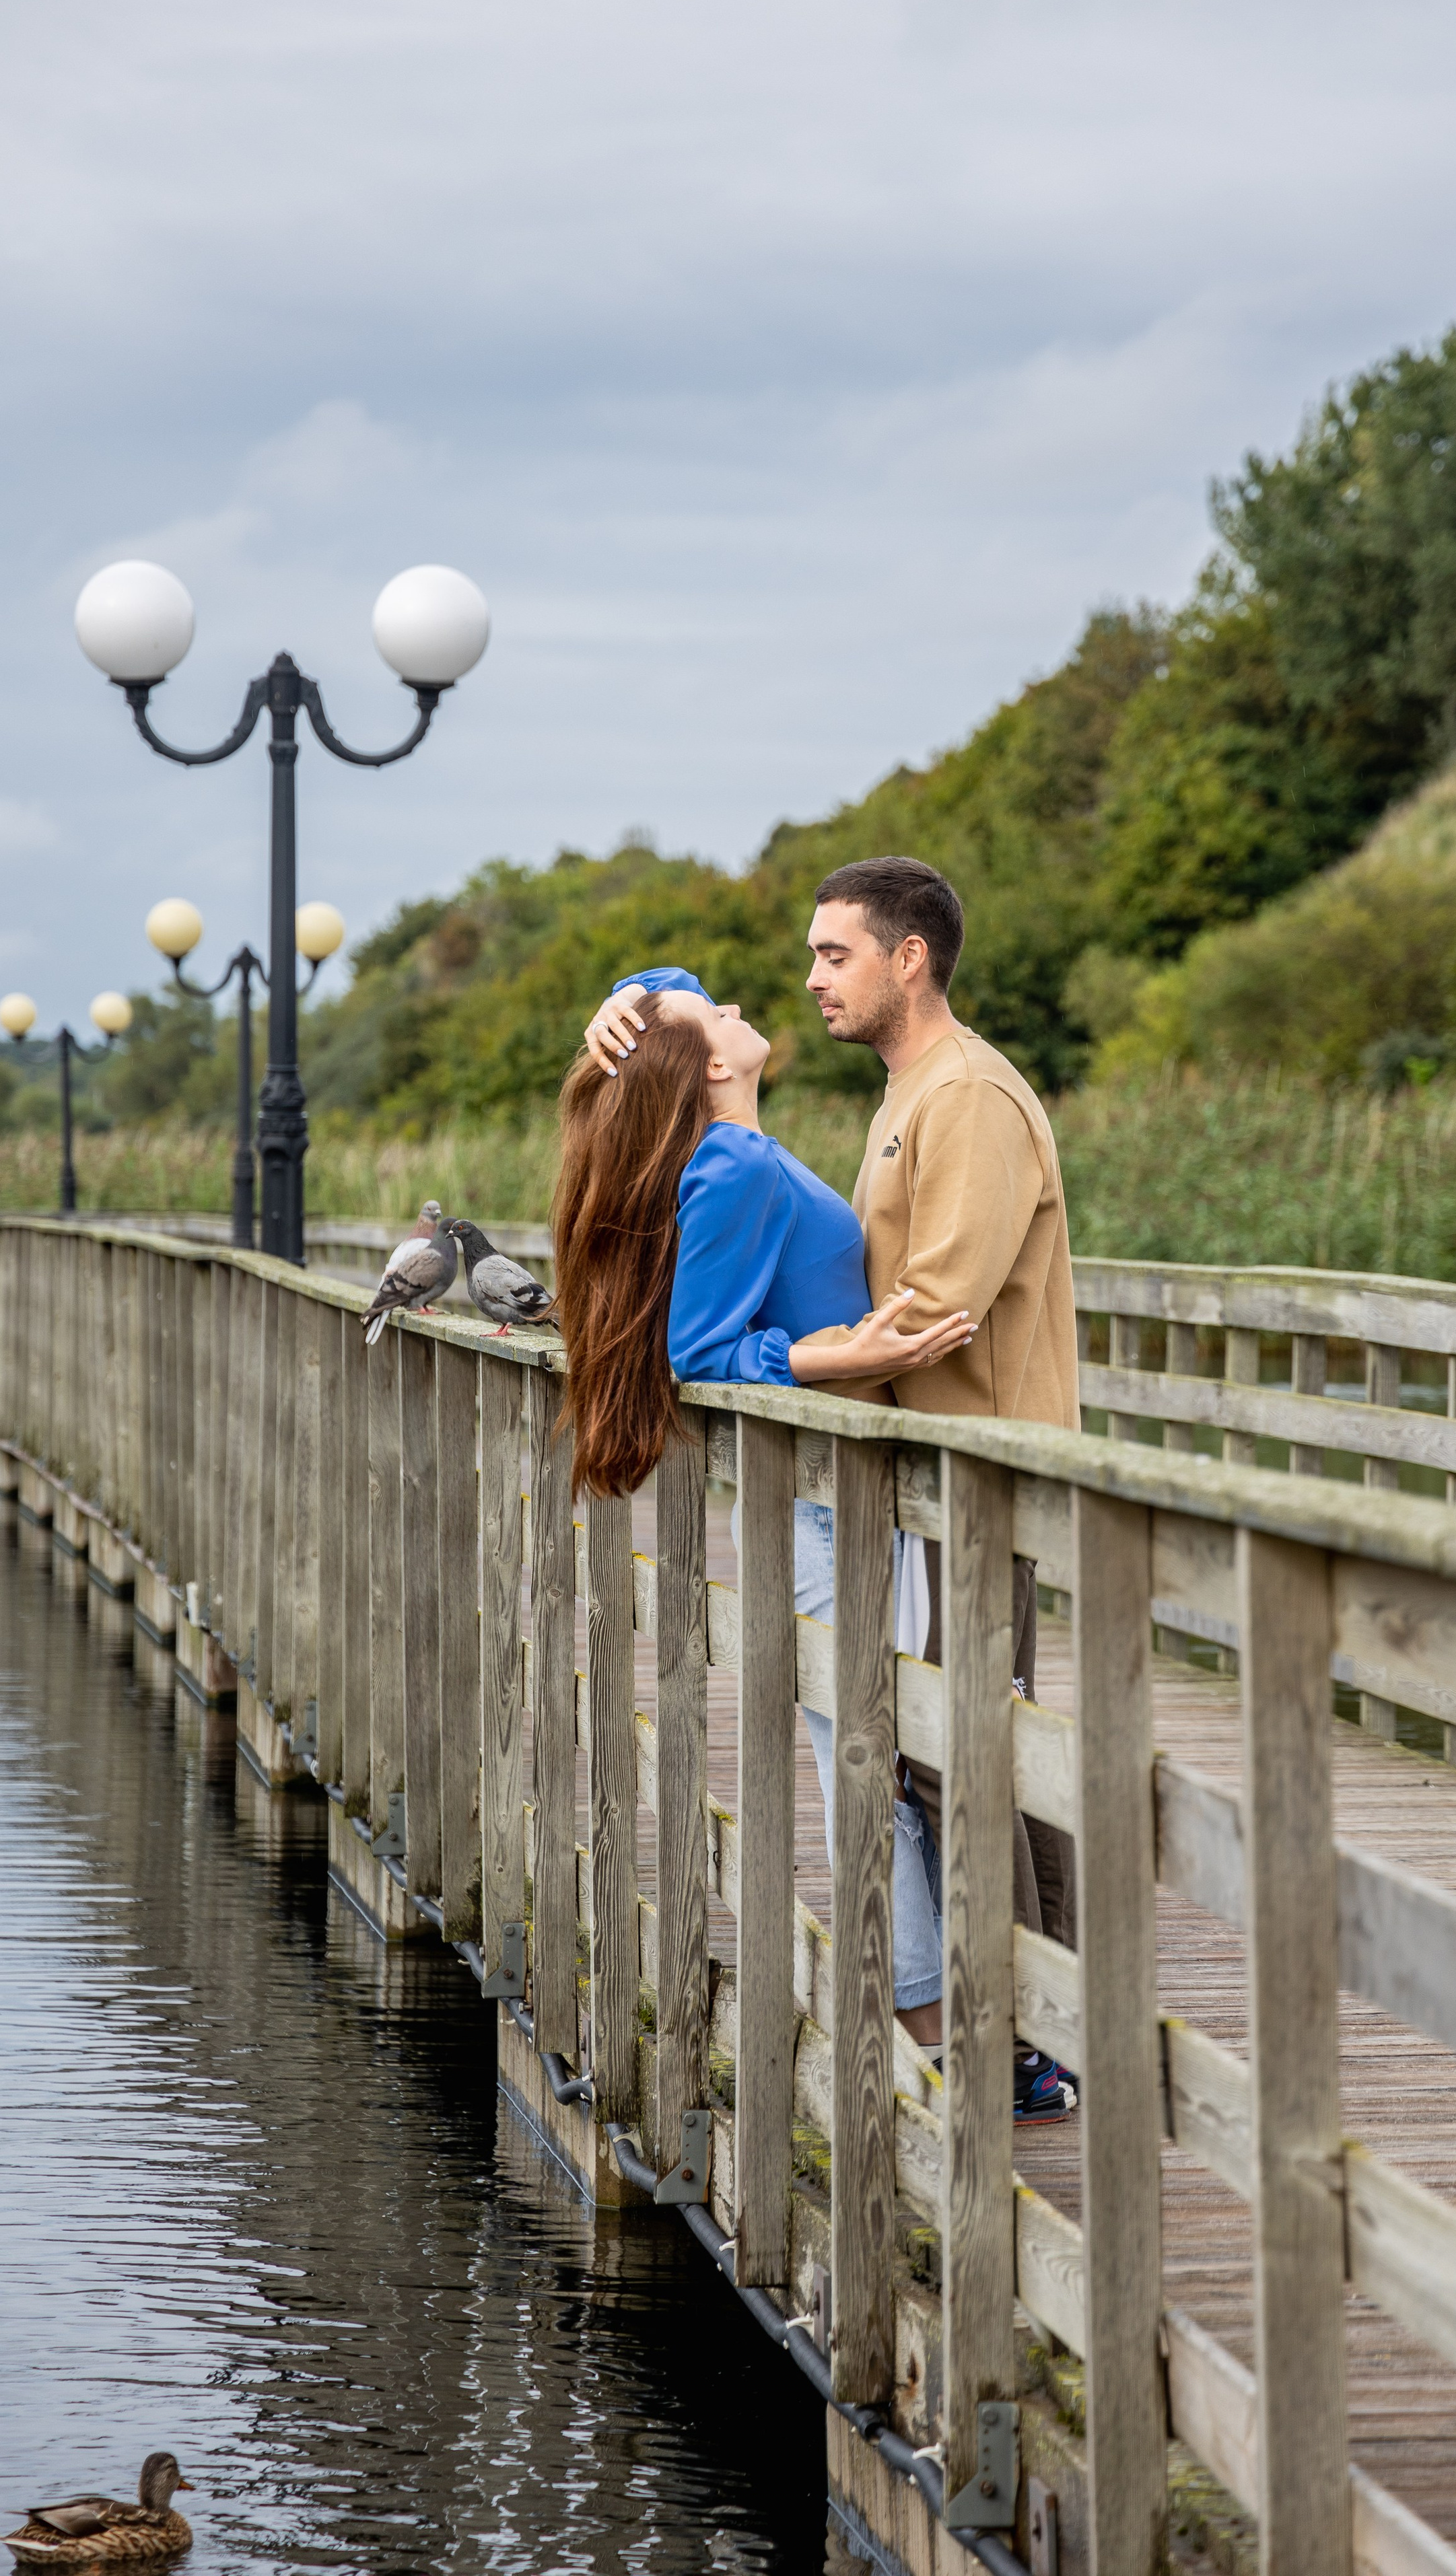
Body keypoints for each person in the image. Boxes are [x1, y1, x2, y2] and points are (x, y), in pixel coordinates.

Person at [584, 855, 1080, 2117]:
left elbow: (939, 1315)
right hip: (900, 1488)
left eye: (833, 955)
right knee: (936, 1764)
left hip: (965, 1483)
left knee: (970, 1764)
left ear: (908, 957)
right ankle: (998, 2039)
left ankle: (1020, 2039)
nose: (808, 980)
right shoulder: (895, 1095)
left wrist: (837, 1354)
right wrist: (629, 997)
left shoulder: (962, 1097)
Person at [551, 984, 975, 2042]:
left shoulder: (732, 1146)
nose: (735, 1002)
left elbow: (674, 990)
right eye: (713, 1016)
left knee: (879, 1758)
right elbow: (696, 1354)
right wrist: (848, 1353)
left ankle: (924, 2021)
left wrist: (623, 1000)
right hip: (834, 1504)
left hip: (839, 1494)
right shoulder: (732, 1163)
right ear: (706, 1068)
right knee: (873, 1767)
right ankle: (925, 2032)